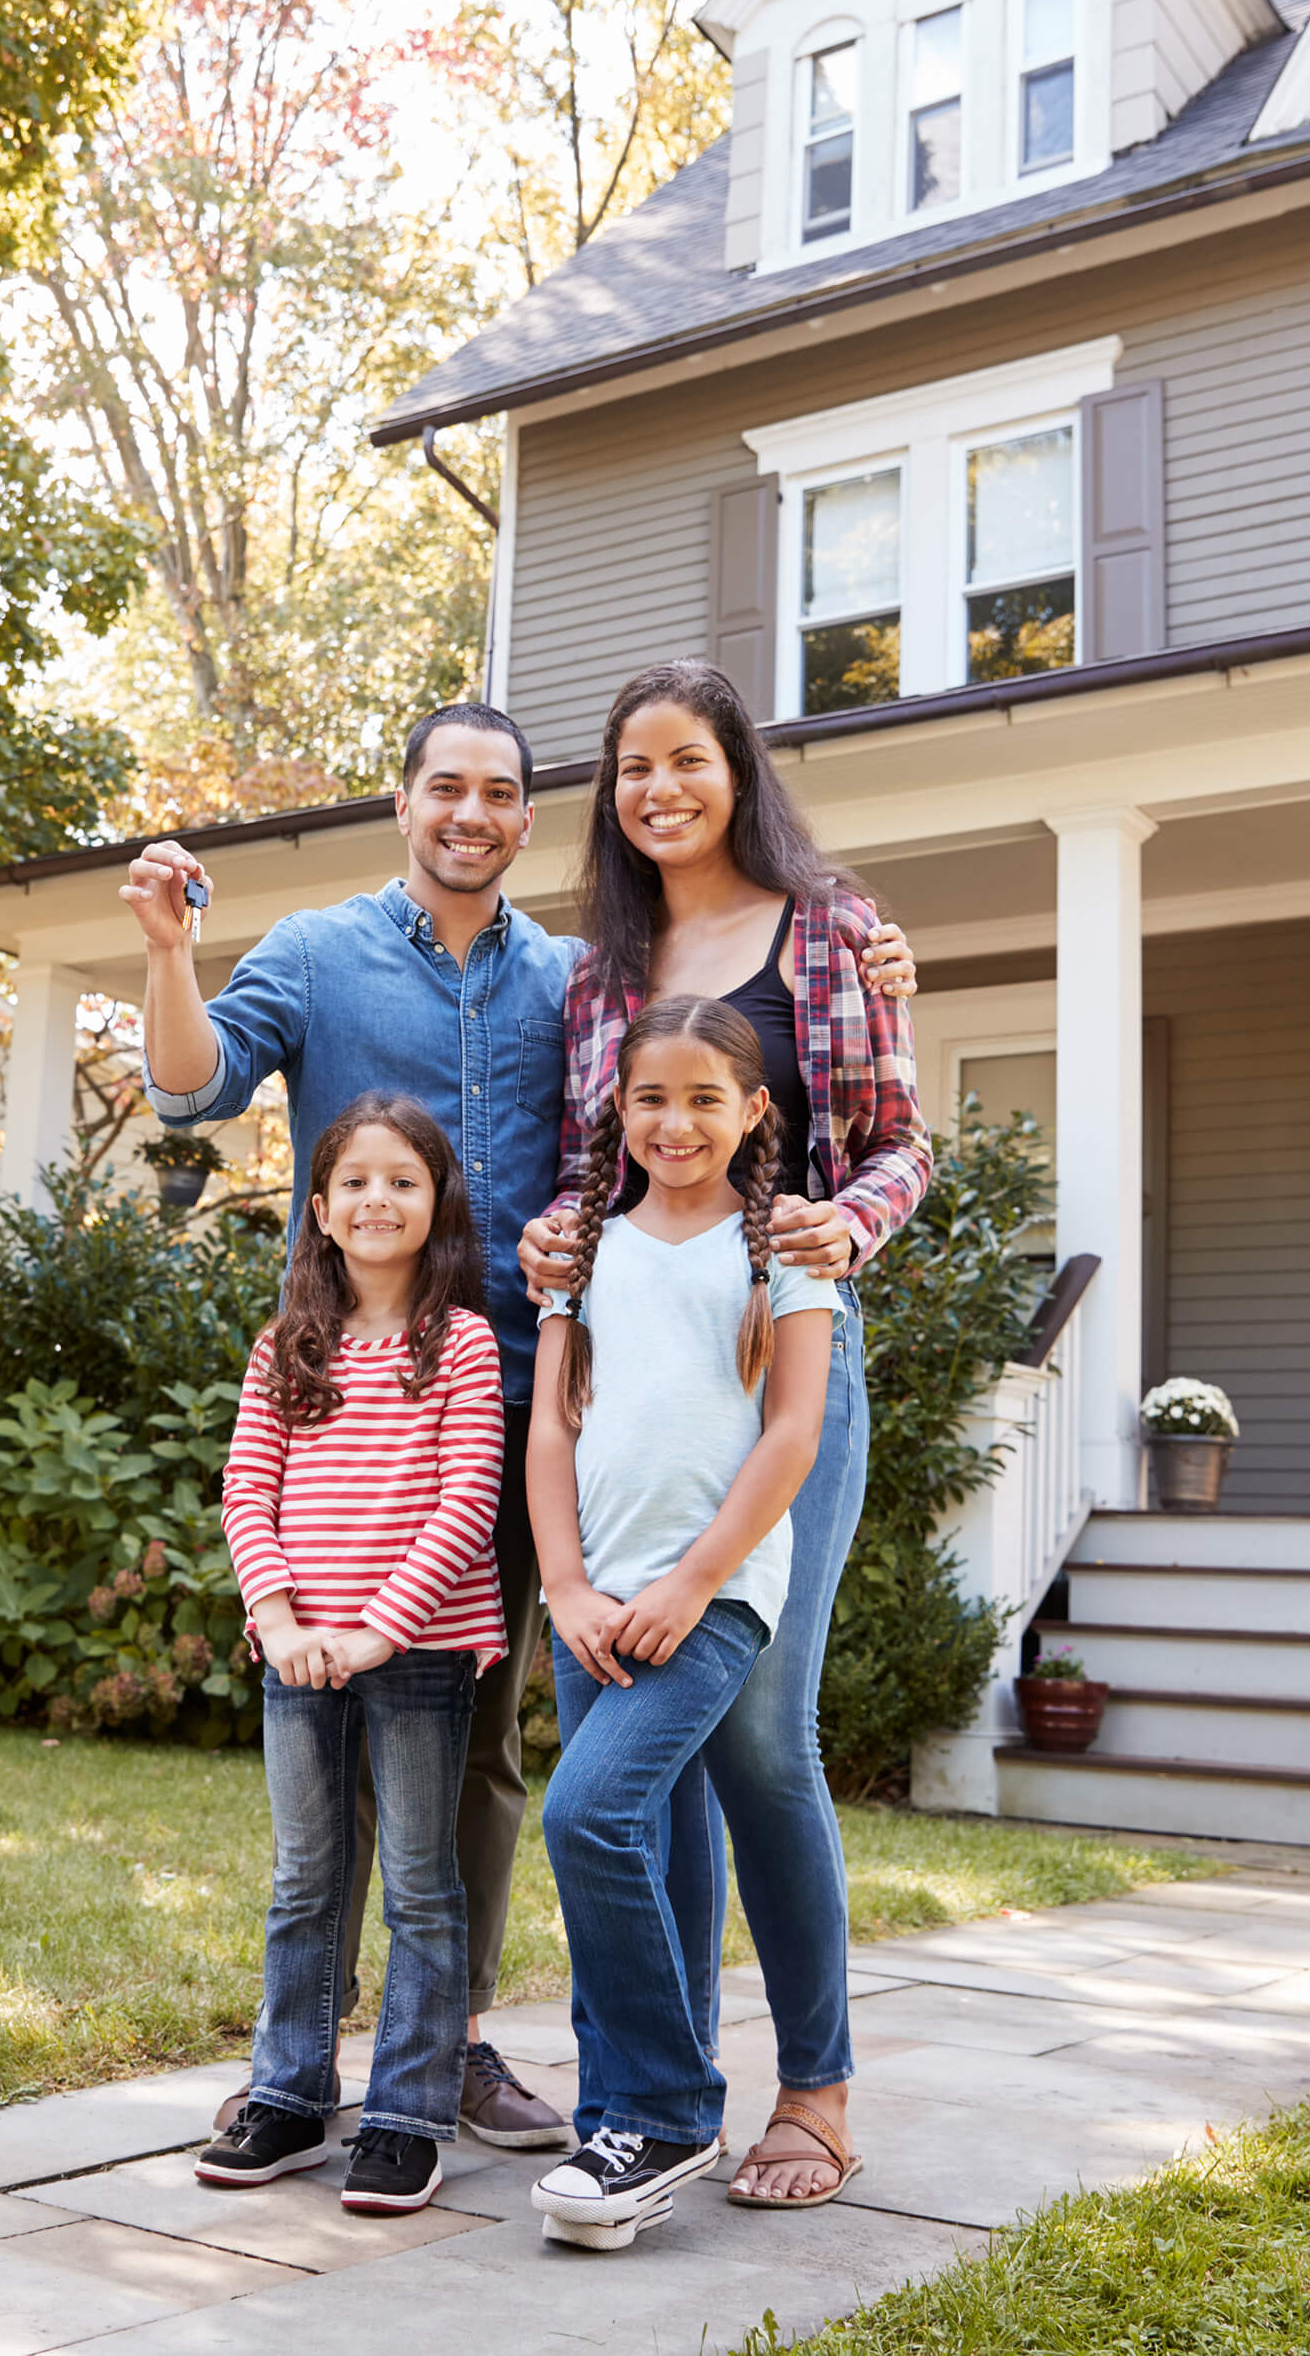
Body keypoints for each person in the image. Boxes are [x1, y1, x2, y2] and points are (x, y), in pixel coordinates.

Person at [125, 700, 916, 2149]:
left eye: (502, 791)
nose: (471, 813)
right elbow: (192, 1087)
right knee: (379, 1745)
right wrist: (172, 952)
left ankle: (477, 2044)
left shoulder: (624, 962)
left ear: (535, 817)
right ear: (403, 796)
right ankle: (323, 2064)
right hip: (414, 1399)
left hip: (612, 1380)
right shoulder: (348, 953)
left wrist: (838, 1209)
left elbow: (851, 1128)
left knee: (524, 1743)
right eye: (446, 787)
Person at [518, 660, 933, 2210]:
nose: (658, 788)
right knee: (651, 1748)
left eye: (685, 759)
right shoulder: (597, 965)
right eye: (631, 766)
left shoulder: (830, 923)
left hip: (783, 1348)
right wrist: (558, 1248)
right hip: (637, 1368)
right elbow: (589, 1165)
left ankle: (815, 2091)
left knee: (763, 1734)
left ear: (735, 768)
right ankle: (661, 2093)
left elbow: (902, 1140)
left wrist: (842, 1225)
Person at [526, 997, 839, 2251]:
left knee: (587, 1811)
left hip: (708, 1599)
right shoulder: (580, 1253)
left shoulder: (787, 1252)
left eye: (707, 1097)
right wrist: (565, 1586)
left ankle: (665, 2107)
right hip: (593, 1595)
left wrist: (694, 1581)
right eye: (652, 1096)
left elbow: (794, 1434)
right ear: (619, 1106)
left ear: (754, 1111)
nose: (676, 1120)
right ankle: (620, 2125)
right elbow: (551, 1428)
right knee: (633, 1838)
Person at [194, 1093, 505, 2216]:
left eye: (404, 1181)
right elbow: (247, 1489)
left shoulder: (460, 1343)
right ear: (319, 1211)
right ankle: (287, 2093)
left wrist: (384, 1623)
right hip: (297, 1652)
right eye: (357, 1182)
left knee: (421, 1885)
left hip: (415, 1651)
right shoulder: (289, 1345)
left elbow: (470, 1496)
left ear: (437, 1205)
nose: (380, 1198)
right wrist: (278, 1621)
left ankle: (410, 2115)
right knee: (304, 1882)